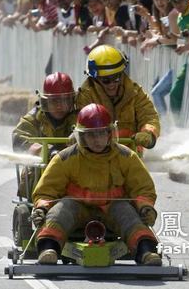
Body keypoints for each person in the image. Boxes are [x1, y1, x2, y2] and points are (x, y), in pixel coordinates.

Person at [30, 103, 161, 266]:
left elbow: (143, 188)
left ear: (109, 133)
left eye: (101, 133)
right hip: (77, 207)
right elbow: (47, 190)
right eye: (91, 135)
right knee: (60, 211)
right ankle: (48, 250)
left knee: (129, 215)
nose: (97, 140)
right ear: (81, 136)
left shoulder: (127, 157)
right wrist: (42, 208)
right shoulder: (65, 158)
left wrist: (145, 207)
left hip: (112, 207)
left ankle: (146, 252)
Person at [76, 45, 161, 151]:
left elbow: (149, 116)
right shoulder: (85, 96)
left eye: (116, 77)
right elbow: (80, 127)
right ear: (95, 79)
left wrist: (148, 133)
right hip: (96, 155)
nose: (111, 84)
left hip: (131, 155)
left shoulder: (135, 92)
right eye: (105, 80)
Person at [12, 72, 77, 197]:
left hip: (74, 171)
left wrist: (79, 135)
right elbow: (19, 139)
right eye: (54, 101)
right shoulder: (34, 118)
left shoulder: (80, 117)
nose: (59, 106)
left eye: (64, 101)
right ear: (44, 102)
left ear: (72, 101)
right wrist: (47, 151)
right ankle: (41, 202)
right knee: (37, 169)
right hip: (41, 173)